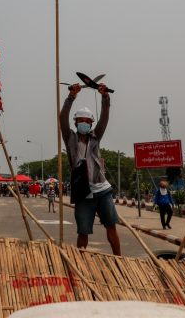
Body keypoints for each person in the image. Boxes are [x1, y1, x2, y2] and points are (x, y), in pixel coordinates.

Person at [60, 82, 121, 255]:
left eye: (88, 121)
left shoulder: (96, 137)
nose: (84, 124)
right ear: (76, 122)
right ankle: (81, 261)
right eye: (81, 121)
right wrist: (71, 97)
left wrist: (105, 97)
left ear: (91, 124)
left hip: (102, 189)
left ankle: (119, 259)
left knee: (111, 226)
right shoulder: (69, 138)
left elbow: (105, 118)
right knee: (83, 231)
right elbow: (62, 118)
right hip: (83, 193)